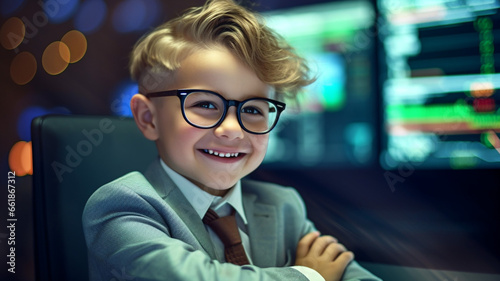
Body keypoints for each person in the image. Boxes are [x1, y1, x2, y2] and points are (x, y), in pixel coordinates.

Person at [82, 0, 382, 280]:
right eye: (206, 105)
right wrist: (309, 275)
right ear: (149, 118)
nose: (233, 130)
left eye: (252, 109)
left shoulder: (282, 206)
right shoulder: (121, 207)